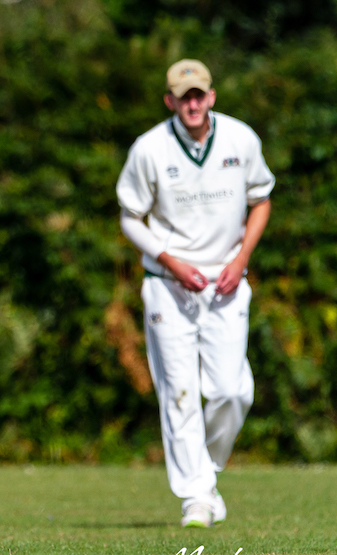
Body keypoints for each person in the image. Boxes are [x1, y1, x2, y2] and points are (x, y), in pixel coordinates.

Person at [115, 59, 274, 527]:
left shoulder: (241, 139)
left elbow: (260, 200)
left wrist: (240, 260)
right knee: (179, 392)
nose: (192, 103)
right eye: (182, 96)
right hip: (168, 286)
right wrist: (170, 261)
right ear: (170, 101)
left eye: (198, 95)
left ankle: (204, 468)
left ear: (211, 97)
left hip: (226, 283)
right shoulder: (149, 148)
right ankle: (196, 498)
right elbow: (130, 216)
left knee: (232, 390)